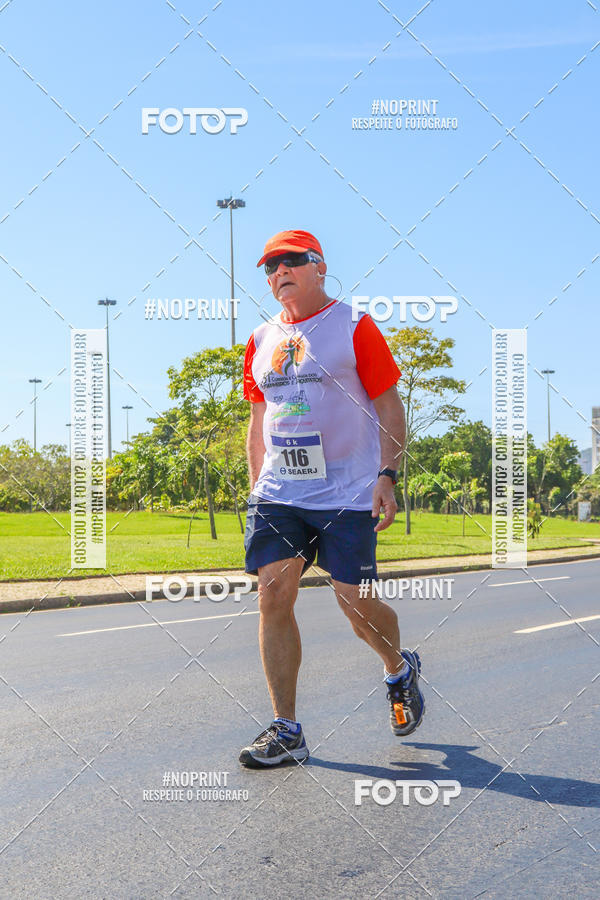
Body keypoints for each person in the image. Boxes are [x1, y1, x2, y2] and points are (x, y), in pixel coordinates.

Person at [239, 229, 424, 768]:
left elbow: (390, 406)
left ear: (320, 266)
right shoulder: (259, 339)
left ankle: (398, 668)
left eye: (292, 261)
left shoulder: (354, 326)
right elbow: (259, 421)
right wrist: (257, 488)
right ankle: (287, 729)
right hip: (280, 492)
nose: (279, 272)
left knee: (355, 602)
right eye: (270, 266)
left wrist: (387, 474)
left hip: (347, 490)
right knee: (273, 595)